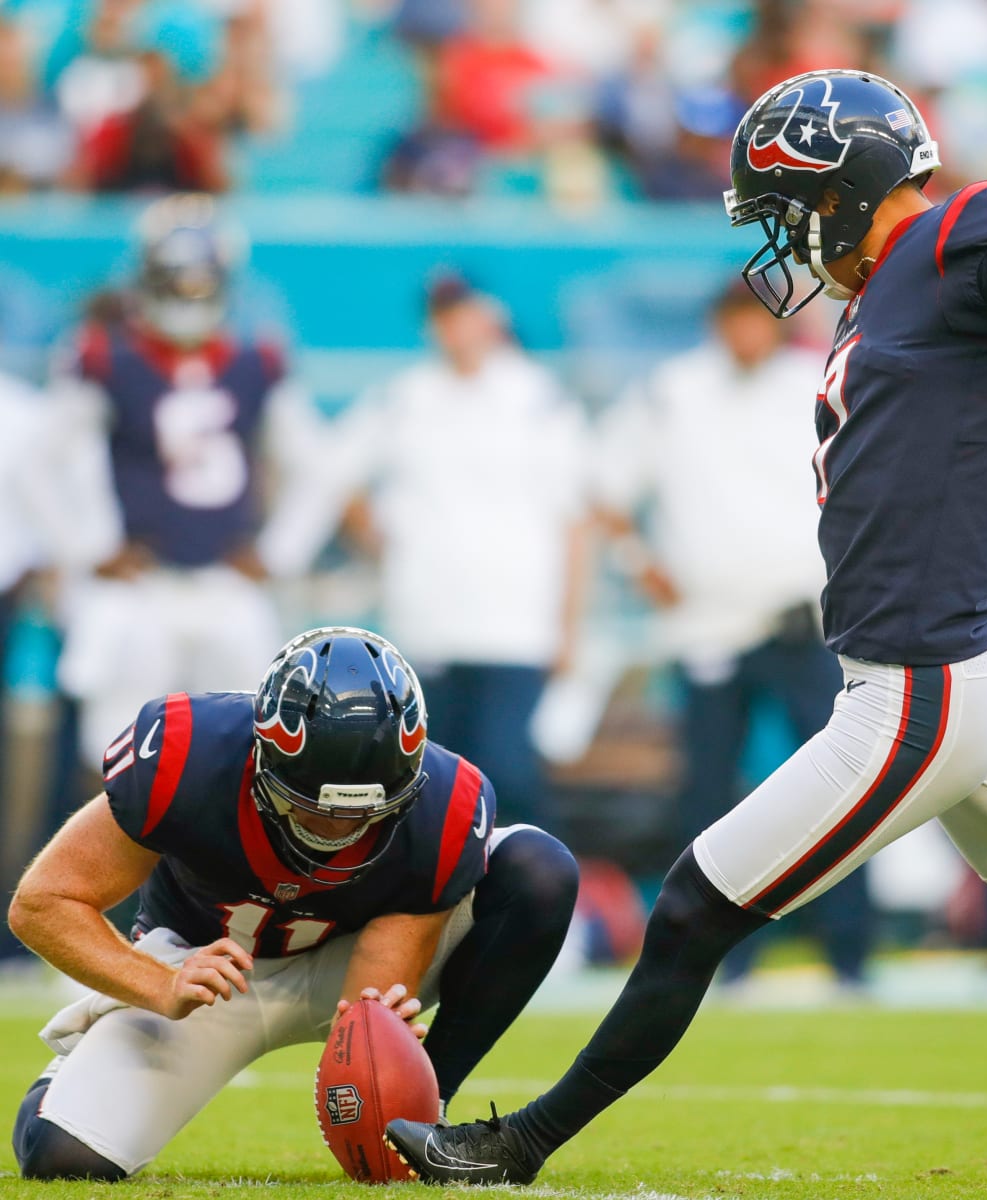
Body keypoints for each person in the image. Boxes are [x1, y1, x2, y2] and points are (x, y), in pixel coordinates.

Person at [383, 68, 987, 1184]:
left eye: (790, 211)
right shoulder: (900, 283)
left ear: (847, 188)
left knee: (689, 909)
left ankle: (517, 1146)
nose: (791, 242)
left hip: (919, 686)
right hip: (951, 657)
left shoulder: (969, 242)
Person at [7, 625, 578, 1180]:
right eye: (315, 806)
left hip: (346, 958)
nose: (340, 827)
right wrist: (158, 983)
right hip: (206, 972)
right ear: (265, 757)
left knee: (538, 871)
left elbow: (371, 990)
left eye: (365, 812)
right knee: (63, 1158)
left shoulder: (444, 804)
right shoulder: (187, 754)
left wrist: (377, 1040)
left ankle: (435, 1117)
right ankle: (66, 1079)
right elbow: (43, 902)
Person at [592, 278, 870, 988]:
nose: (748, 332)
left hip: (801, 620)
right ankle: (717, 955)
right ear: (718, 324)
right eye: (736, 318)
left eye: (759, 318)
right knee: (711, 798)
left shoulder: (813, 383)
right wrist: (639, 565)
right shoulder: (672, 393)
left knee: (844, 784)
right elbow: (604, 487)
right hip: (708, 624)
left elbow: (866, 478)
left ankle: (849, 950)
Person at [39, 193, 325, 775]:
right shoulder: (104, 359)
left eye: (199, 281)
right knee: (118, 761)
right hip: (141, 585)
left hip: (225, 583)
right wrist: (86, 547)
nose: (189, 295)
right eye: (177, 280)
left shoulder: (257, 362)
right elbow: (37, 462)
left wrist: (279, 552)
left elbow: (317, 468)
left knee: (247, 755)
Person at [315, 275, 591, 832]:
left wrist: (568, 626)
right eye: (444, 317)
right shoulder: (405, 397)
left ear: (489, 318)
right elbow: (332, 470)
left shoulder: (539, 398)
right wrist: (383, 542)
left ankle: (521, 903)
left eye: (465, 313)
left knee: (510, 775)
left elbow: (575, 517)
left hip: (516, 624)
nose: (457, 329)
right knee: (429, 780)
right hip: (428, 621)